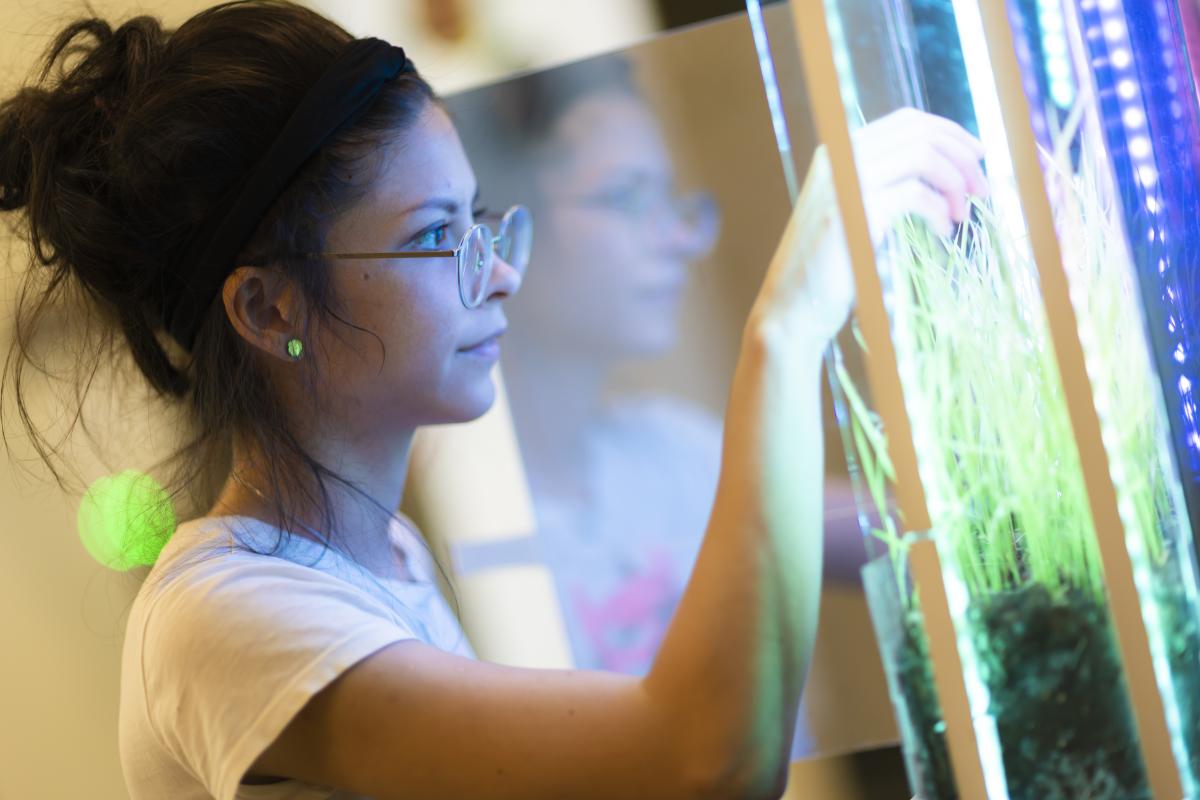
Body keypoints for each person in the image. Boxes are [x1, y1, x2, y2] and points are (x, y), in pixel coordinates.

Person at [0, 2, 986, 798]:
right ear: (269, 305)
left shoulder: (378, 557)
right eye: (435, 236)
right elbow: (699, 760)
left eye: (477, 218)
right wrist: (785, 329)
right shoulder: (222, 616)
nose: (500, 274)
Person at [449, 56, 874, 758]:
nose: (677, 237)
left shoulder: (670, 448)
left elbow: (887, 535)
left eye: (671, 200)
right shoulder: (463, 524)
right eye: (626, 197)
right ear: (504, 228)